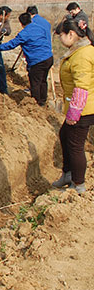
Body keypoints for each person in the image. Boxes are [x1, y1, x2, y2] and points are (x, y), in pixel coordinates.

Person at [51, 17, 94, 194]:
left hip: (83, 108)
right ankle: (68, 174)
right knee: (64, 134)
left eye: (61, 35)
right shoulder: (81, 50)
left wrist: (73, 115)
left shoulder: (82, 55)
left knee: (75, 145)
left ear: (71, 34)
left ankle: (78, 184)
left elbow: (81, 87)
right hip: (82, 106)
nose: (60, 40)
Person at [0, 12, 53, 106]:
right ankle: (43, 100)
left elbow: (12, 44)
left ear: (21, 23)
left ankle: (36, 104)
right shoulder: (40, 28)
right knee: (43, 80)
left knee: (35, 82)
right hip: (48, 58)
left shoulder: (24, 34)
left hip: (37, 61)